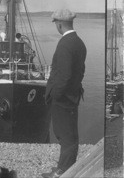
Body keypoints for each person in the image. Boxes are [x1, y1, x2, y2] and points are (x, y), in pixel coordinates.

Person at [42, 9, 86, 178]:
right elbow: (81, 70)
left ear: (59, 24)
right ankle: (63, 167)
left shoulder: (65, 43)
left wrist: (56, 94)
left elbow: (65, 75)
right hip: (72, 95)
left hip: (63, 99)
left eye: (56, 24)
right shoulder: (79, 42)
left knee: (65, 136)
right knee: (68, 134)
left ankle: (63, 172)